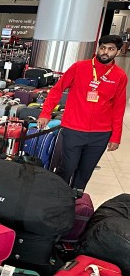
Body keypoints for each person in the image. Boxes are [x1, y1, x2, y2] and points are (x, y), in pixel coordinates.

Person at [37, 34, 127, 193]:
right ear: (98, 49)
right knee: (68, 166)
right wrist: (45, 113)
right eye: (103, 48)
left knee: (85, 171)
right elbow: (57, 90)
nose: (105, 52)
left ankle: (75, 198)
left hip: (101, 133)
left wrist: (115, 136)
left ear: (118, 52)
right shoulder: (79, 67)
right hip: (74, 128)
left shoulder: (120, 76)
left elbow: (118, 107)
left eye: (111, 49)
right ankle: (56, 195)